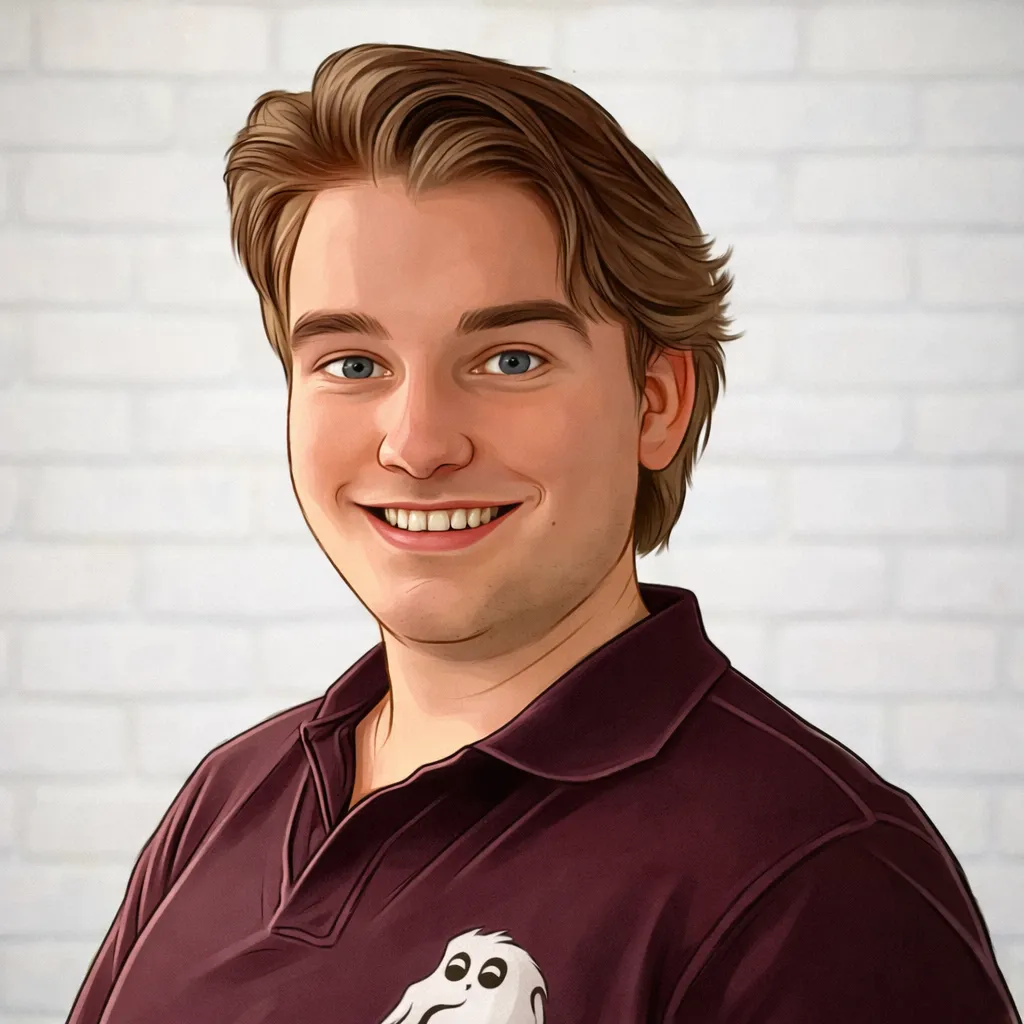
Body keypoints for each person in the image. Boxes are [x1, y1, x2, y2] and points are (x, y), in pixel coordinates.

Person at [69, 43, 1020, 1024]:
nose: (418, 442)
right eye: (352, 364)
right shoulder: (230, 797)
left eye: (509, 358)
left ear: (655, 403)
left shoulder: (815, 880)